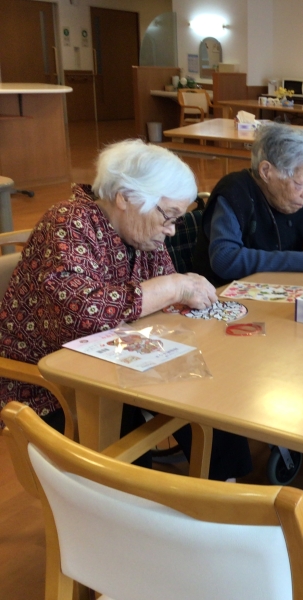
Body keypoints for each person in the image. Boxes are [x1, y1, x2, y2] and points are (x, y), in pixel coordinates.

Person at [0, 139, 252, 481]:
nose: (172, 230)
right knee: (126, 429)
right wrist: (173, 287)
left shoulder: (143, 234)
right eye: (168, 216)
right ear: (125, 198)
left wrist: (181, 295)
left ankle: (227, 493)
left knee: (208, 395)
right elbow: (83, 314)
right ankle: (133, 508)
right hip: (51, 385)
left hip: (120, 361)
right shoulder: (67, 223)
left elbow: (166, 305)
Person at [192, 124, 303, 286]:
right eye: (299, 183)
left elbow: (278, 232)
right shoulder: (234, 192)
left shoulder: (288, 198)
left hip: (274, 287)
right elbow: (225, 259)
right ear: (266, 171)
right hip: (222, 293)